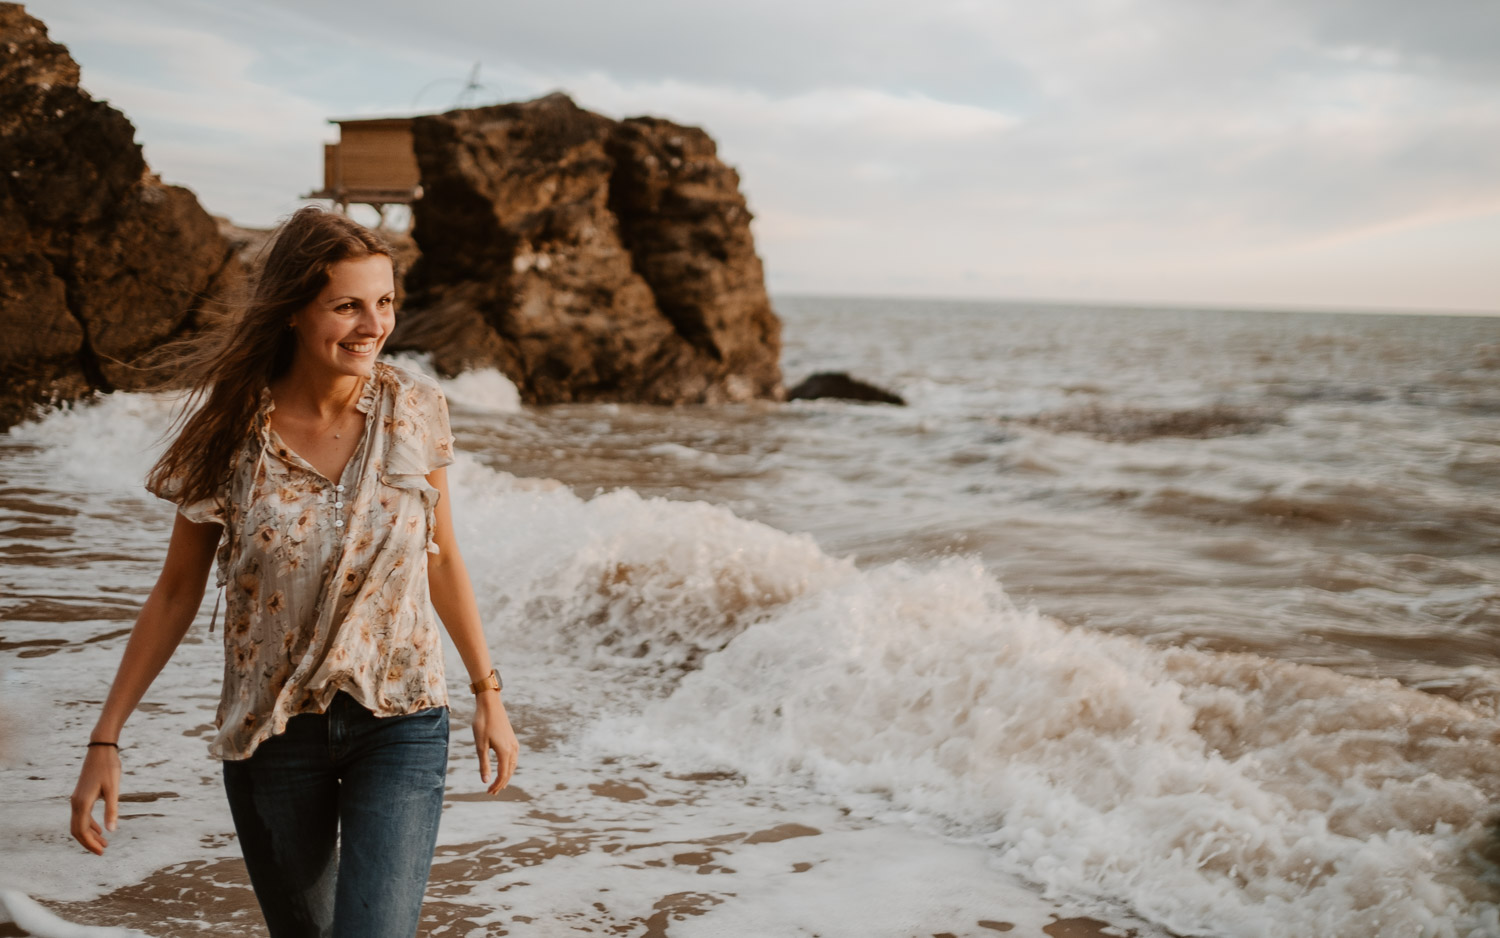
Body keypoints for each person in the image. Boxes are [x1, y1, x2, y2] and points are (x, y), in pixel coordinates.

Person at [68, 206, 519, 938]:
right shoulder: (229, 432)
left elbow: (444, 561)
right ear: (293, 313)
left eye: (384, 303)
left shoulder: (415, 410)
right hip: (270, 733)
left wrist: (487, 694)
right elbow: (176, 591)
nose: (372, 325)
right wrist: (105, 738)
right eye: (346, 306)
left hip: (400, 719)